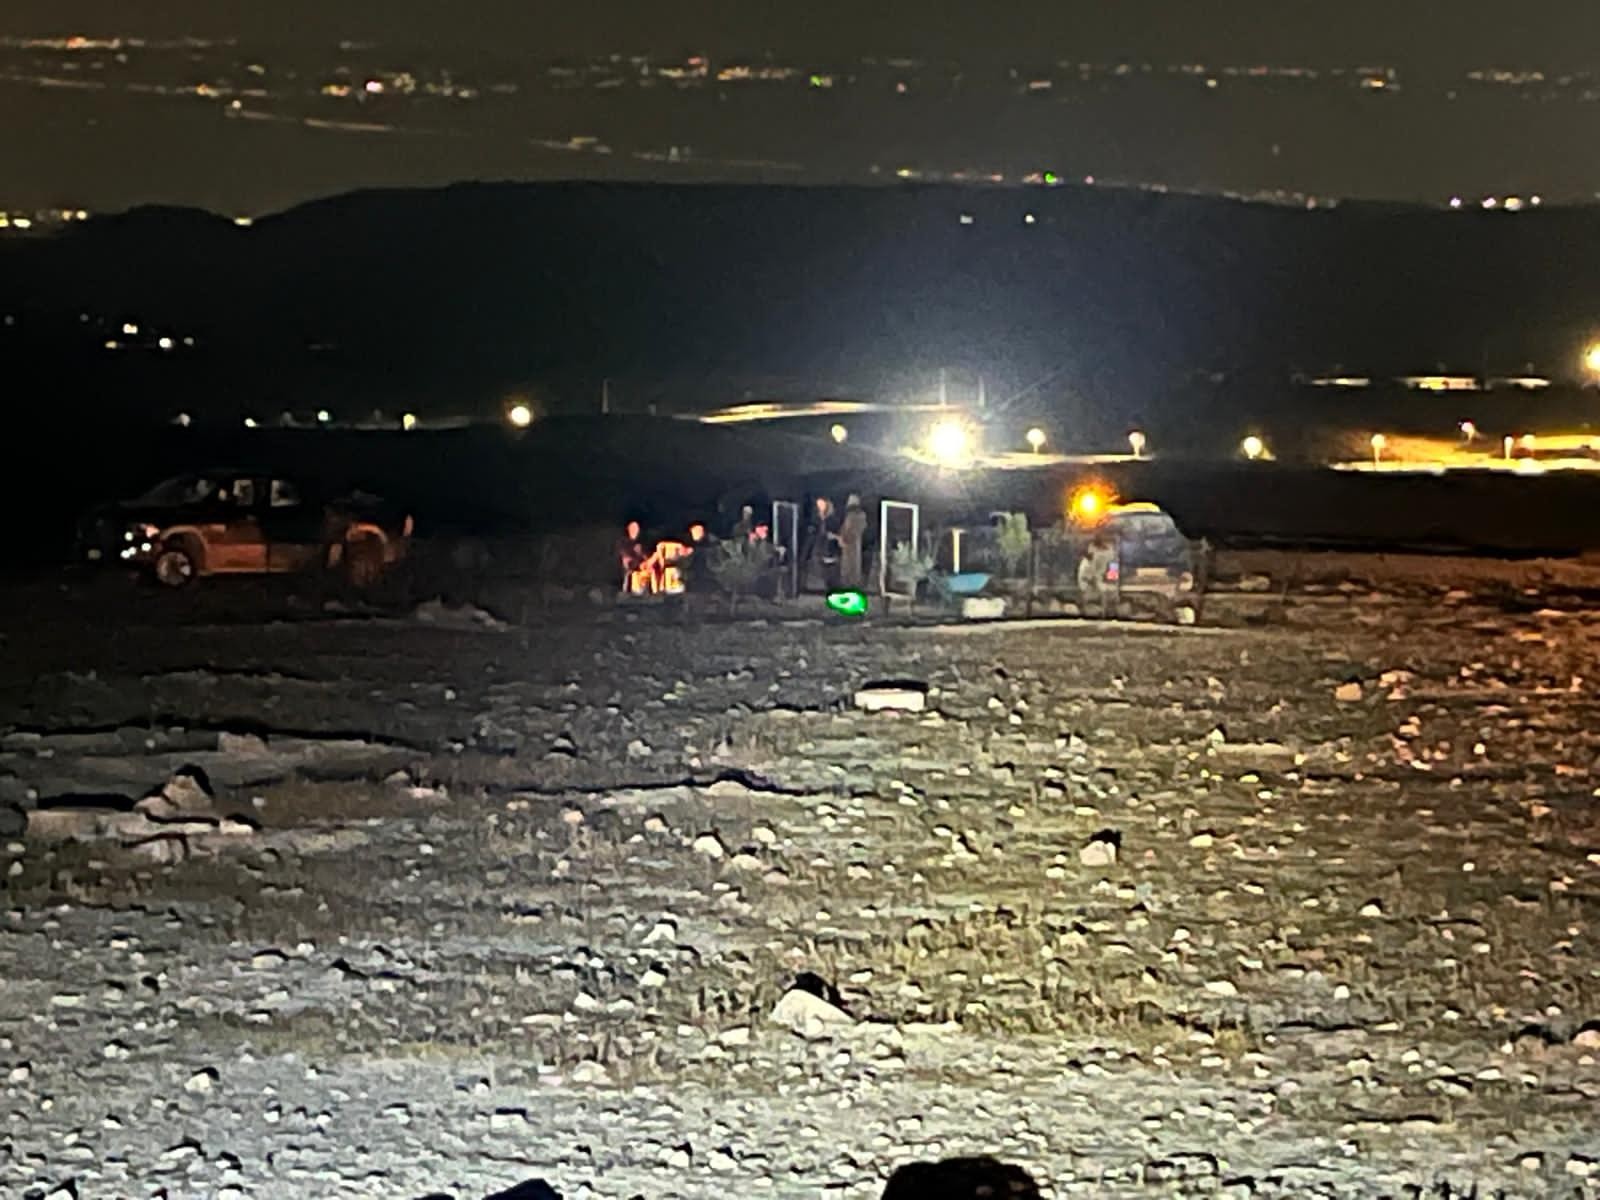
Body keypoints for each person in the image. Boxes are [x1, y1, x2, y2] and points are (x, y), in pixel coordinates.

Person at [1077, 532, 1118, 618]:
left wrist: (1111, 579)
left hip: (1102, 579)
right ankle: (1102, 613)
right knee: (1102, 591)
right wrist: (1095, 582)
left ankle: (1107, 612)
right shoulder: (1088, 558)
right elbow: (1086, 577)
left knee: (1110, 591)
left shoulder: (1109, 551)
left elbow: (1113, 564)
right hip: (1091, 582)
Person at [803, 496, 840, 592]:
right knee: (822, 570)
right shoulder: (817, 518)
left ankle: (832, 588)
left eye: (822, 505)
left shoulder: (832, 519)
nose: (820, 507)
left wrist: (833, 536)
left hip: (829, 548)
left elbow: (835, 532)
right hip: (820, 548)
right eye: (818, 505)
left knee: (830, 571)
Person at [837, 494, 868, 590]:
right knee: (851, 566)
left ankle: (850, 585)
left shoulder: (855, 515)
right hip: (851, 544)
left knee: (850, 566)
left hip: (851, 544)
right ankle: (850, 584)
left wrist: (844, 538)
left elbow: (850, 529)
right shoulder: (857, 515)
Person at [616, 520, 646, 595]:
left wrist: (640, 553)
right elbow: (621, 552)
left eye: (636, 529)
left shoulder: (640, 542)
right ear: (628, 529)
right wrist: (626, 558)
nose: (634, 531)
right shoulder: (623, 541)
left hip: (639, 567)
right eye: (632, 528)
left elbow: (644, 556)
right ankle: (625, 591)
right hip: (628, 566)